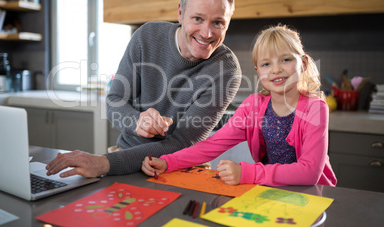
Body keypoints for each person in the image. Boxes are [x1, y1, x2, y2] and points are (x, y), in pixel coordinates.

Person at [45, 0, 241, 178]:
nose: (206, 33)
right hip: (125, 157)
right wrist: (136, 122)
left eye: (218, 23)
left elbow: (183, 143)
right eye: (198, 19)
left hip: (182, 166)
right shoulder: (147, 37)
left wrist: (104, 163)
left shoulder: (227, 70)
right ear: (181, 13)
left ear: (227, 22)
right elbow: (115, 99)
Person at [142, 24, 337, 187]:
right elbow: (212, 145)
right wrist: (168, 162)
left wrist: (247, 173)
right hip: (273, 191)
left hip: (314, 195)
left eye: (285, 60)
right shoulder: (253, 106)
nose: (276, 69)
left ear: (302, 64)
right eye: (266, 64)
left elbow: (309, 173)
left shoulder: (315, 108)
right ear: (258, 71)